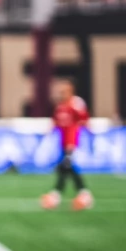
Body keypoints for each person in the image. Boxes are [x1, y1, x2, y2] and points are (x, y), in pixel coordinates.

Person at [41, 79, 93, 210]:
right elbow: (55, 122)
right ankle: (82, 194)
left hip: (72, 143)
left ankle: (58, 195)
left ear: (70, 90)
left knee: (66, 167)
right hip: (63, 144)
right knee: (66, 168)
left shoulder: (76, 104)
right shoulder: (60, 107)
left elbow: (84, 121)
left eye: (63, 91)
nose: (61, 94)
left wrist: (89, 139)